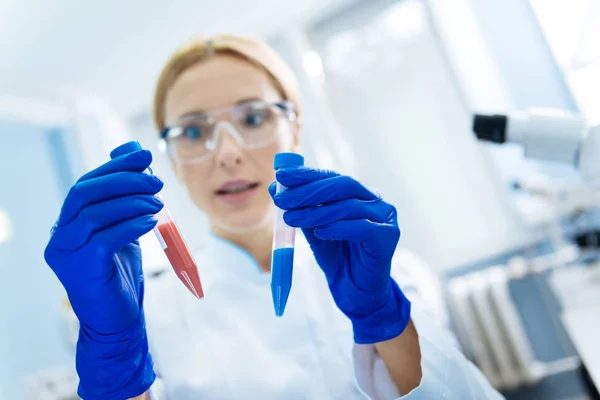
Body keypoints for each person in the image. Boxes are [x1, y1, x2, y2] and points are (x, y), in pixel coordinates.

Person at [44, 34, 504, 400]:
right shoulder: (150, 315)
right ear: (171, 159)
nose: (227, 153)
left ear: (295, 129)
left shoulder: (396, 275)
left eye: (253, 118)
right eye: (193, 130)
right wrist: (112, 357)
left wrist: (384, 314)